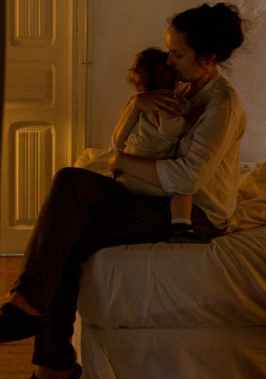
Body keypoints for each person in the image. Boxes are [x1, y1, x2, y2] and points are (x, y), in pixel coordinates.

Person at [0, 1, 247, 379]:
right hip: (153, 195)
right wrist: (138, 104)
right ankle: (45, 344)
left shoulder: (222, 106)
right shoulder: (182, 87)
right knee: (69, 201)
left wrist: (118, 162)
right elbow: (140, 136)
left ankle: (40, 337)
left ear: (207, 58)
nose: (169, 60)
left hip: (195, 213)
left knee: (73, 199)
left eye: (178, 53)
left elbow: (186, 179)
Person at [82, 46, 196, 239]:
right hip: (148, 175)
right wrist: (186, 113)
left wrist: (136, 107)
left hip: (127, 174)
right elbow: (171, 132)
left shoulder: (138, 103)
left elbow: (117, 141)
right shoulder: (171, 105)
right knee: (183, 188)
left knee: (92, 166)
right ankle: (181, 225)